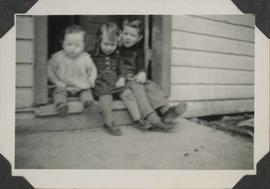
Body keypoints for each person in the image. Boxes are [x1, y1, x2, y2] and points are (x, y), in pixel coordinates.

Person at [116, 19, 187, 131]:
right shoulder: (116, 49)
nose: (128, 37)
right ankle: (153, 119)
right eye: (125, 34)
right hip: (122, 81)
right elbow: (115, 67)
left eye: (132, 35)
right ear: (120, 33)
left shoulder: (138, 51)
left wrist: (142, 72)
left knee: (150, 85)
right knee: (138, 88)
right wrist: (124, 77)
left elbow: (140, 65)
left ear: (139, 38)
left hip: (134, 78)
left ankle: (166, 111)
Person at [91, 22, 151, 136]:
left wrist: (122, 78)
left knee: (128, 93)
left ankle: (137, 119)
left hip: (116, 84)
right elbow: (87, 69)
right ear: (99, 41)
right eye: (106, 44)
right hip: (102, 85)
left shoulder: (117, 56)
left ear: (117, 43)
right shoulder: (93, 56)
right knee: (106, 98)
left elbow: (122, 69)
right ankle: (108, 123)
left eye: (113, 45)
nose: (109, 48)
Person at [47, 25, 97, 117]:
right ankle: (61, 105)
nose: (73, 48)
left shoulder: (85, 57)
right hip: (63, 86)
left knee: (87, 92)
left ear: (84, 46)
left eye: (77, 45)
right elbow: (49, 70)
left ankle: (88, 104)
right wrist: (56, 81)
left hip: (81, 86)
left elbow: (92, 69)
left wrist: (91, 78)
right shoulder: (58, 57)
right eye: (69, 44)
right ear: (62, 43)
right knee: (58, 92)